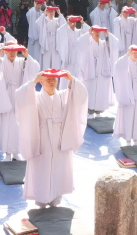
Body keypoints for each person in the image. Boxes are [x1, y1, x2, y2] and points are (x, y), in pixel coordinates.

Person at [14, 69, 88, 208]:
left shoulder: (64, 96)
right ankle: (41, 199)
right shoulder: (35, 96)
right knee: (42, 166)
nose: (52, 81)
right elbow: (19, 96)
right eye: (48, 79)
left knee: (59, 166)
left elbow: (81, 95)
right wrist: (33, 81)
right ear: (41, 82)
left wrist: (72, 80)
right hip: (42, 136)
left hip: (61, 136)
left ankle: (56, 198)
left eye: (54, 79)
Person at [0, 43, 41, 160]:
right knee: (6, 123)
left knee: (19, 123)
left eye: (15, 50)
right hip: (5, 95)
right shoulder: (0, 61)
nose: (12, 53)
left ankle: (17, 151)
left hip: (19, 94)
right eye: (9, 50)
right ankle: (7, 152)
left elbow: (34, 68)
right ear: (5, 51)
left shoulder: (22, 62)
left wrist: (27, 56)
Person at [76, 26, 118, 117]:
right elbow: (79, 43)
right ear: (91, 32)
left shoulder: (104, 44)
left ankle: (99, 110)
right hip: (90, 70)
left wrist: (108, 34)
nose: (97, 34)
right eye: (95, 32)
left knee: (101, 90)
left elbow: (115, 44)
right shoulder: (87, 42)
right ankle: (89, 110)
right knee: (90, 89)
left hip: (102, 70)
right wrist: (88, 33)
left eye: (99, 32)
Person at [57, 16, 90, 89]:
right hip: (68, 55)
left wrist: (82, 22)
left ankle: (76, 89)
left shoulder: (78, 31)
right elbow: (59, 31)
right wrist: (67, 23)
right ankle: (64, 89)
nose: (73, 23)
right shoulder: (65, 31)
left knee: (77, 73)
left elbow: (88, 32)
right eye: (72, 21)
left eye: (75, 22)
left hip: (76, 55)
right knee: (67, 73)